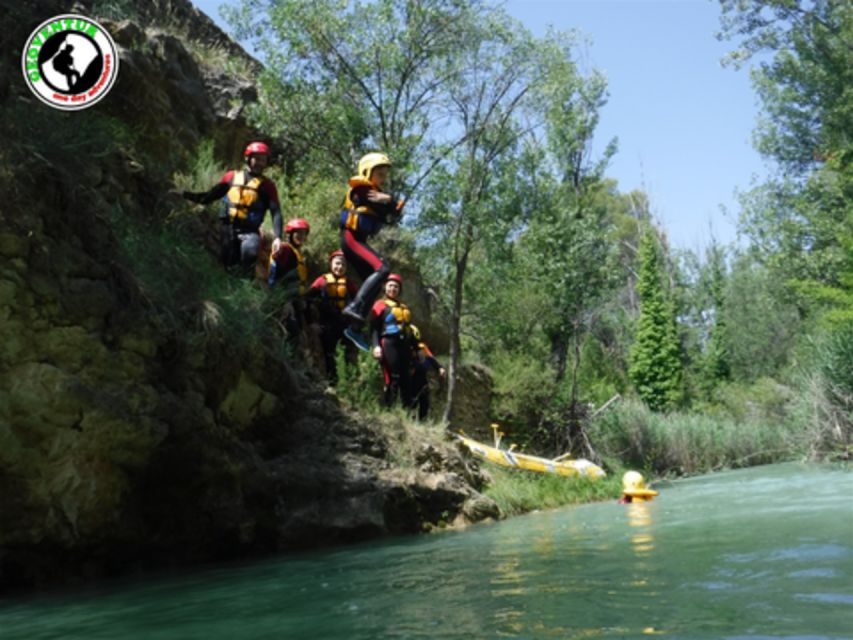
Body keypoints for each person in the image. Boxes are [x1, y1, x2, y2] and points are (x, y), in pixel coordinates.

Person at [177, 141, 282, 274]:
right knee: (228, 263)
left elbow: (276, 212)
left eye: (263, 160)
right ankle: (231, 289)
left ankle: (246, 286)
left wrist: (278, 237)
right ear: (248, 158)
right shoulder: (231, 177)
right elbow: (208, 197)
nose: (260, 163)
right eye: (257, 158)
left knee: (249, 253)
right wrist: (184, 194)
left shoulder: (267, 186)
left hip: (250, 231)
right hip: (229, 228)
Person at [338, 152, 405, 348]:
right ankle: (355, 307)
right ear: (367, 172)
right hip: (351, 239)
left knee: (377, 281)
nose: (383, 178)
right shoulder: (361, 189)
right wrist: (389, 200)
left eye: (385, 174)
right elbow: (369, 200)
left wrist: (391, 202)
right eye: (380, 174)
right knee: (383, 269)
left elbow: (391, 214)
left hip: (359, 240)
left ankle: (354, 328)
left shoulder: (377, 194)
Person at [306, 250, 359, 386]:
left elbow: (359, 302)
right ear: (331, 264)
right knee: (329, 353)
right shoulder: (321, 280)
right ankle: (332, 382)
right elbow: (308, 299)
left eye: (343, 265)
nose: (339, 267)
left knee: (348, 352)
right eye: (337, 264)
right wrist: (312, 322)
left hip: (344, 323)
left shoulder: (349, 284)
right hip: (327, 323)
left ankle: (350, 382)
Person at [369, 274, 413, 408]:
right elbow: (374, 328)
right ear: (385, 287)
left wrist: (416, 349)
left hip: (404, 345)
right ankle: (389, 408)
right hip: (388, 343)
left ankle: (407, 411)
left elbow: (409, 330)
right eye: (390, 286)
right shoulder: (380, 305)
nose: (393, 288)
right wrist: (376, 346)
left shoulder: (404, 307)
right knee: (393, 376)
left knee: (406, 377)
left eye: (396, 286)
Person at [268, 218, 310, 341]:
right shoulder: (286, 250)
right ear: (290, 234)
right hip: (283, 297)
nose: (301, 236)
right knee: (292, 330)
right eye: (298, 233)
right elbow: (278, 262)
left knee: (298, 331)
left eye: (304, 234)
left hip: (293, 297)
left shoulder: (296, 253)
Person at [408, 325, 446, 420]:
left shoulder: (422, 347)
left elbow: (431, 358)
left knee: (424, 402)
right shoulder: (404, 347)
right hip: (410, 378)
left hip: (421, 378)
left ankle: (422, 421)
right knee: (412, 401)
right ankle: (411, 419)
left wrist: (439, 367)